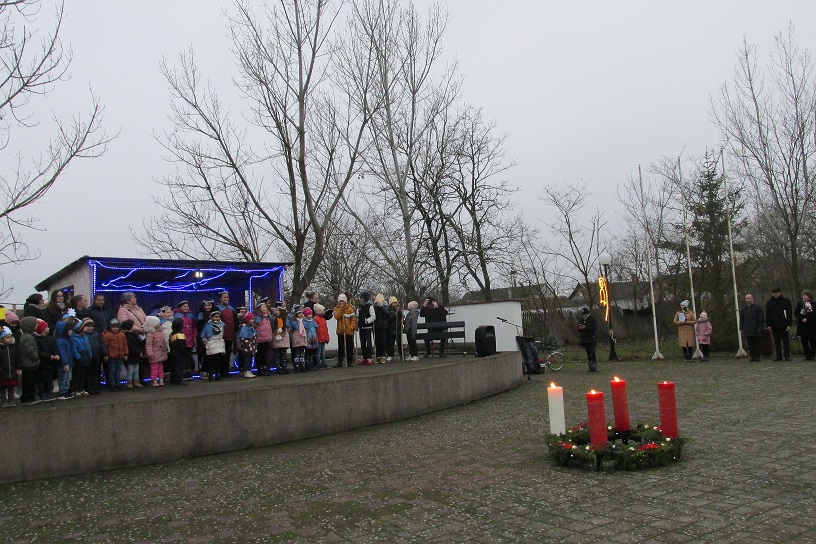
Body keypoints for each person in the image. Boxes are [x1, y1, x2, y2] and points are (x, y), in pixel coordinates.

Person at [34, 319, 58, 401]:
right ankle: (42, 393)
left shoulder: (49, 338)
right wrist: (48, 356)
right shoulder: (37, 340)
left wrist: (56, 354)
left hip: (50, 362)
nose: (48, 328)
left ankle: (48, 392)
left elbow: (54, 348)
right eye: (46, 327)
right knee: (42, 379)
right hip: (42, 363)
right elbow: (39, 352)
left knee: (49, 378)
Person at [766, 288, 793, 361]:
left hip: (784, 324)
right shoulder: (769, 302)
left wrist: (789, 324)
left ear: (780, 293)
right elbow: (768, 314)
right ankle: (778, 355)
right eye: (773, 293)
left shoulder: (786, 301)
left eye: (776, 293)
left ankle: (787, 355)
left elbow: (789, 313)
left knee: (785, 341)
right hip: (774, 325)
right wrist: (768, 324)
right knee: (776, 341)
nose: (775, 294)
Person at [18, 316, 40, 405]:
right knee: (29, 382)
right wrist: (36, 357)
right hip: (29, 364)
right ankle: (28, 398)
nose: (37, 325)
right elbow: (29, 349)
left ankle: (27, 397)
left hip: (27, 364)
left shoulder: (25, 336)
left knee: (27, 382)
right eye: (35, 324)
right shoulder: (28, 337)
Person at [82, 318, 107, 394]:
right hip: (89, 357)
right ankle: (89, 388)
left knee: (96, 373)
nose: (90, 328)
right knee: (89, 373)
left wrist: (105, 353)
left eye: (91, 326)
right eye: (88, 326)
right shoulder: (83, 335)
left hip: (97, 356)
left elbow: (102, 344)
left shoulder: (96, 334)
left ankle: (96, 387)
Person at [173, 301, 198, 377]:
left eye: (187, 306)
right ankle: (182, 371)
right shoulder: (176, 316)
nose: (186, 308)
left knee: (188, 355)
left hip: (190, 337)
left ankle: (188, 370)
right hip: (181, 338)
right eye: (184, 306)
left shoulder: (191, 315)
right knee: (182, 355)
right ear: (180, 307)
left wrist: (195, 336)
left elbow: (194, 326)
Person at [216, 291, 237, 376]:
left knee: (228, 352)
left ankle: (225, 371)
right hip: (221, 334)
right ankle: (220, 371)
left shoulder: (231, 309)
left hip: (230, 333)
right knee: (221, 353)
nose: (226, 299)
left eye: (227, 297)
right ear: (220, 299)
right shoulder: (217, 308)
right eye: (224, 297)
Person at [103, 319, 128, 392]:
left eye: (117, 327)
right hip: (111, 356)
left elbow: (125, 344)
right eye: (113, 327)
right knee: (112, 371)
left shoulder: (122, 335)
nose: (115, 328)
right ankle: (112, 385)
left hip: (120, 356)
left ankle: (118, 384)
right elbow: (105, 346)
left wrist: (125, 354)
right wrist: (105, 354)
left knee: (118, 371)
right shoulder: (107, 335)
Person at [200, 309, 226, 381]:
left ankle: (217, 374)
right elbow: (204, 337)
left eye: (218, 317)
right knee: (211, 361)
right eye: (215, 317)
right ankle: (211, 375)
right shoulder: (208, 326)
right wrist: (207, 344)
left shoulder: (221, 324)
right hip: (211, 343)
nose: (217, 318)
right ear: (211, 317)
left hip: (219, 343)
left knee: (218, 360)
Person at [70, 319, 93, 396]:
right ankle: (76, 389)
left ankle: (82, 388)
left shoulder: (85, 336)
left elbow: (88, 346)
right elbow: (74, 349)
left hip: (86, 356)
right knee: (77, 375)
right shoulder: (74, 338)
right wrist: (78, 357)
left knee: (84, 375)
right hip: (80, 357)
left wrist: (90, 355)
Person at [333, 294, 356, 368]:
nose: (341, 302)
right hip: (341, 331)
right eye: (340, 301)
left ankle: (350, 361)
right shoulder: (336, 308)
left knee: (349, 346)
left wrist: (351, 327)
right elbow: (337, 317)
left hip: (348, 331)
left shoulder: (350, 309)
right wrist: (341, 308)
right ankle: (340, 361)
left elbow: (353, 319)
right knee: (341, 346)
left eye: (343, 301)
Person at [120, 319, 145, 389]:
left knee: (136, 369)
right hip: (131, 355)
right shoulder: (127, 335)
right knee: (130, 370)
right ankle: (130, 382)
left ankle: (136, 381)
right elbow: (130, 346)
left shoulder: (134, 334)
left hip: (136, 355)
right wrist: (138, 352)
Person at [740, 293, 765, 361]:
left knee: (757, 343)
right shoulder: (744, 309)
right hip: (747, 328)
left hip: (756, 328)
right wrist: (741, 327)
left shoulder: (757, 307)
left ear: (752, 299)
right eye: (746, 298)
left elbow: (761, 318)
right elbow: (742, 319)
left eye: (748, 298)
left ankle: (757, 356)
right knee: (750, 343)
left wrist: (760, 327)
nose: (747, 300)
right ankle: (752, 356)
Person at [54, 318, 75, 398]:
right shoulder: (60, 341)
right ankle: (63, 391)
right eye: (69, 330)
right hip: (64, 363)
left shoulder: (68, 340)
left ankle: (66, 390)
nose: (71, 331)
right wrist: (65, 362)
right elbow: (62, 353)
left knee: (68, 377)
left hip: (69, 362)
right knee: (63, 377)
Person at [167, 318, 191, 385]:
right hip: (179, 354)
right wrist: (186, 353)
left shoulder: (171, 334)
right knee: (179, 366)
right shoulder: (180, 335)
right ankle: (179, 379)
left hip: (173, 352)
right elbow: (182, 346)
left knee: (173, 366)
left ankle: (173, 380)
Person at [0, 327, 19, 408]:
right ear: (2, 339)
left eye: (11, 337)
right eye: (7, 337)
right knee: (3, 387)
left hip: (12, 370)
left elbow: (17, 358)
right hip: (3, 371)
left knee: (11, 386)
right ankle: (3, 400)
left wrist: (18, 367)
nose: (10, 339)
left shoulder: (13, 348)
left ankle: (11, 400)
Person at [795, 291, 816, 361]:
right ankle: (807, 355)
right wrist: (801, 319)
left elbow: (814, 314)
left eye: (805, 295)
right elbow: (796, 313)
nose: (803, 297)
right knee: (804, 340)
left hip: (811, 325)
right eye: (803, 295)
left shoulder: (814, 304)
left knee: (812, 340)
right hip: (802, 325)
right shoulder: (800, 304)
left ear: (809, 296)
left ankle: (813, 354)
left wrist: (808, 318)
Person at [252, 303, 272, 376]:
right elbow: (254, 326)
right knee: (260, 354)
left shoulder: (267, 317)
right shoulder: (258, 318)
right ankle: (260, 369)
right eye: (263, 307)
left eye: (265, 307)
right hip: (260, 339)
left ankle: (265, 368)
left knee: (265, 354)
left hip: (267, 338)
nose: (265, 308)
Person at [287, 305, 309, 372]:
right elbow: (291, 330)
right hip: (296, 338)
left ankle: (302, 365)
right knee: (297, 353)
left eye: (301, 313)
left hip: (302, 338)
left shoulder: (304, 322)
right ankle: (296, 366)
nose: (301, 314)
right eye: (299, 313)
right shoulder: (294, 322)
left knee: (302, 352)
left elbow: (306, 329)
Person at [357, 292, 375, 365]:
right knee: (362, 343)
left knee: (368, 342)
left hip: (367, 327)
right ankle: (364, 357)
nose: (361, 299)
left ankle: (369, 358)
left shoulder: (370, 306)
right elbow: (358, 315)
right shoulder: (360, 306)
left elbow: (373, 316)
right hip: (361, 327)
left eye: (362, 298)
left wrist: (367, 321)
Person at [238, 311, 258, 378]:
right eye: (251, 319)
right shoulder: (244, 328)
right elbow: (244, 339)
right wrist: (248, 346)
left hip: (252, 346)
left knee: (250, 358)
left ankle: (249, 370)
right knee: (247, 359)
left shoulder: (251, 328)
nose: (253, 320)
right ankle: (246, 370)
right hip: (247, 347)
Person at [577, 307, 598, 372]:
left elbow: (594, 328)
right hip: (584, 339)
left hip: (591, 338)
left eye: (584, 314)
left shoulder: (592, 319)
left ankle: (594, 365)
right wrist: (580, 328)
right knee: (588, 352)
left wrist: (586, 328)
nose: (583, 316)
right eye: (582, 315)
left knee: (592, 351)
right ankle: (590, 366)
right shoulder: (581, 320)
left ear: (587, 314)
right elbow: (578, 329)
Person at [271, 305, 290, 374]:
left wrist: (284, 335)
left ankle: (284, 367)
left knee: (283, 354)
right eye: (276, 310)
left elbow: (287, 329)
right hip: (277, 338)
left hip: (283, 338)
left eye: (278, 310)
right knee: (277, 355)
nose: (276, 312)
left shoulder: (285, 320)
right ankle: (278, 368)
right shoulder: (274, 320)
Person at [386, 296, 404, 362]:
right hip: (391, 329)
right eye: (394, 303)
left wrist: (400, 315)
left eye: (396, 302)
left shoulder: (399, 310)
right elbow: (389, 319)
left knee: (399, 343)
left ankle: (402, 354)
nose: (395, 304)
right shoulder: (388, 310)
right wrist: (394, 315)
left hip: (398, 329)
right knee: (391, 343)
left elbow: (401, 317)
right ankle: (390, 355)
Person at [373, 293, 389, 364]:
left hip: (383, 326)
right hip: (376, 327)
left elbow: (387, 313)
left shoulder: (385, 307)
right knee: (377, 342)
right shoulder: (374, 308)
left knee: (383, 342)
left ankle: (383, 356)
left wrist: (382, 307)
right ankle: (378, 356)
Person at [313, 303, 330, 369]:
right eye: (323, 311)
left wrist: (327, 337)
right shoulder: (316, 319)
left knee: (322, 352)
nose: (324, 312)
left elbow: (326, 329)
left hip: (323, 338)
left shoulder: (323, 319)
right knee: (319, 351)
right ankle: (319, 363)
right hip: (319, 338)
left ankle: (323, 362)